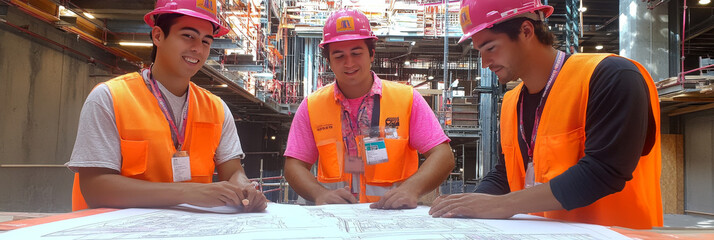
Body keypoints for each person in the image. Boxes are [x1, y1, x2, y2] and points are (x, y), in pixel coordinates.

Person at [430, 0, 662, 229]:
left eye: (490, 48)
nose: (484, 63)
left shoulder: (611, 76)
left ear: (526, 31)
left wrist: (502, 205)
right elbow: (505, 172)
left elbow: (603, 171)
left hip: (616, 234)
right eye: (479, 51)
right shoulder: (511, 102)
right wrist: (468, 206)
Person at [66, 0, 266, 212]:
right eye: (188, 36)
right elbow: (95, 188)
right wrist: (189, 193)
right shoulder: (110, 98)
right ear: (158, 36)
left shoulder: (216, 108)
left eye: (206, 41)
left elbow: (233, 171)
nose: (198, 48)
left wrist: (245, 187)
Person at [283, 9, 455, 209]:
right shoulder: (312, 106)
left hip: (394, 217)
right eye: (339, 56)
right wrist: (319, 194)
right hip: (337, 218)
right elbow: (294, 165)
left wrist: (411, 189)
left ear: (372, 54)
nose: (349, 63)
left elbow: (443, 155)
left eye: (356, 53)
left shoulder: (406, 99)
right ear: (328, 61)